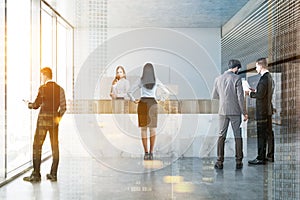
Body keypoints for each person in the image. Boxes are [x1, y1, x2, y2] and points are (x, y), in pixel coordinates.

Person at [23, 67, 66, 182]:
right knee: (55, 147)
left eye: (41, 76)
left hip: (42, 121)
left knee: (37, 146)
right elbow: (64, 107)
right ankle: (53, 174)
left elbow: (36, 105)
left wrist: (29, 104)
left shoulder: (43, 88)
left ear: (45, 75)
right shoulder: (60, 89)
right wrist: (57, 118)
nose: (41, 78)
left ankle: (36, 175)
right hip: (54, 122)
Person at [127, 63, 169, 160]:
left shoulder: (140, 80)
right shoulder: (156, 80)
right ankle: (151, 152)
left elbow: (129, 92)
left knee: (143, 130)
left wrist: (134, 100)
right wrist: (160, 100)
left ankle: (146, 153)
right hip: (153, 103)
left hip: (142, 103)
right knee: (152, 129)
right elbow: (167, 92)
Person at [212, 59, 248, 170]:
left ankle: (219, 161)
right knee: (237, 135)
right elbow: (240, 98)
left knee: (221, 136)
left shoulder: (218, 79)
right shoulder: (237, 78)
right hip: (235, 112)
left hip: (222, 111)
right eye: (238, 68)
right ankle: (238, 161)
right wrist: (244, 113)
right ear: (236, 68)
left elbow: (214, 96)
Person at [247, 58, 274, 165]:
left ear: (261, 66)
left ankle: (260, 158)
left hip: (262, 111)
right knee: (269, 133)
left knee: (261, 134)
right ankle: (270, 156)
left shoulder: (263, 79)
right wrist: (257, 91)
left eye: (257, 66)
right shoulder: (270, 78)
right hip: (268, 110)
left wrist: (250, 93)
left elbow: (260, 95)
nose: (256, 68)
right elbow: (265, 93)